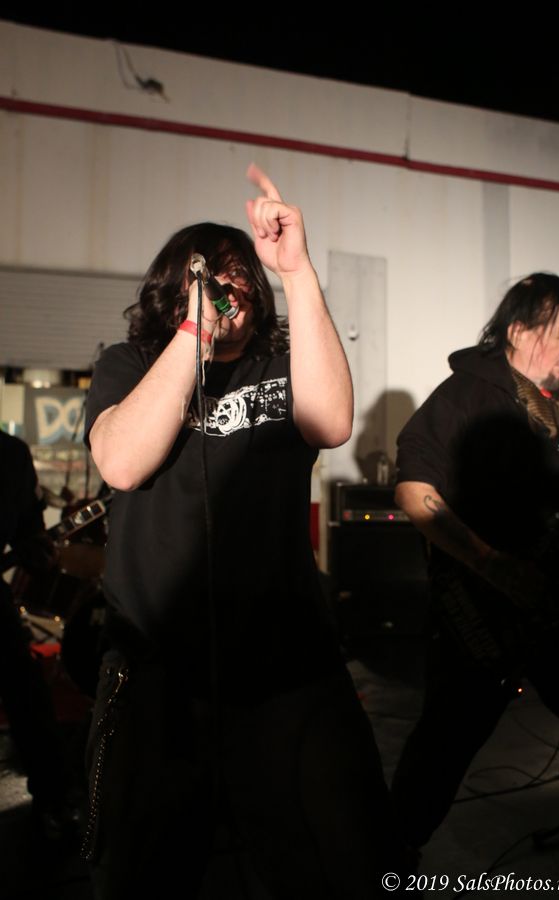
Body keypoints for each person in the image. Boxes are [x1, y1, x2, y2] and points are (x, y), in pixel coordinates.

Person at [84, 165, 403, 899]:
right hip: (156, 675)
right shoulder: (128, 365)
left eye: (241, 276)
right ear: (175, 288)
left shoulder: (281, 369)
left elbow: (332, 422)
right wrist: (195, 333)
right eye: (212, 274)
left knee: (342, 867)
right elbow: (122, 463)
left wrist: (296, 269)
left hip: (289, 669)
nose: (231, 285)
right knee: (143, 876)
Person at [392, 272, 559, 851]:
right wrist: (494, 566)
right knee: (443, 750)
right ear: (518, 329)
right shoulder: (463, 396)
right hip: (484, 618)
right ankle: (390, 865)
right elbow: (414, 492)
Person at [0, 429, 73, 837]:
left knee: (27, 694)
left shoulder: (10, 455)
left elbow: (28, 531)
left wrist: (38, 551)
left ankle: (54, 801)